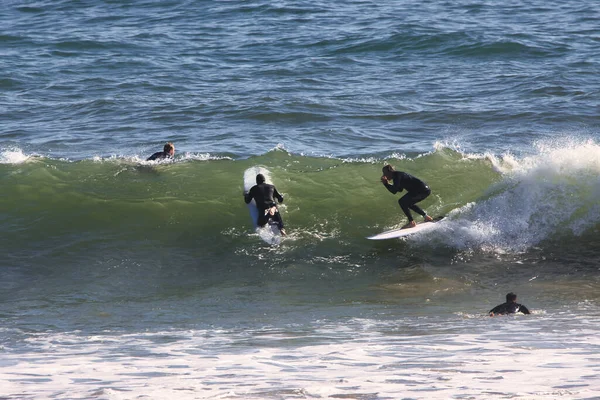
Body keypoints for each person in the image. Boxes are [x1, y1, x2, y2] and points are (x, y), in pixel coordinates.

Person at [381, 164, 433, 229]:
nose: (383, 175)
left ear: (389, 172)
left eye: (384, 173)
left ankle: (411, 222)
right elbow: (399, 190)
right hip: (423, 190)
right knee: (408, 203)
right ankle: (426, 217)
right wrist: (387, 184)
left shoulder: (397, 176)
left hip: (421, 190)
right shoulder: (397, 176)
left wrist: (386, 184)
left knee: (402, 202)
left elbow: (394, 191)